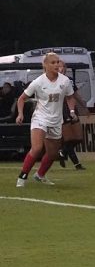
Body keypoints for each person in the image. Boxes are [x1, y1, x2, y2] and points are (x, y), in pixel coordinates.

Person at [15, 52, 77, 188]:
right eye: (53, 62)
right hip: (40, 118)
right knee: (37, 148)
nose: (56, 65)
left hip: (56, 120)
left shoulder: (65, 81)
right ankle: (22, 177)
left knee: (53, 153)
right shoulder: (38, 82)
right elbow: (22, 98)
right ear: (45, 65)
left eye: (57, 62)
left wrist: (72, 111)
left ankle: (40, 175)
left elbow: (70, 97)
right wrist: (20, 114)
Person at [58, 80, 87, 170]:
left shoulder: (68, 80)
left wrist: (83, 106)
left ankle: (63, 151)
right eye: (59, 66)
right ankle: (77, 164)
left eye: (63, 66)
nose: (62, 68)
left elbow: (75, 95)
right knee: (69, 140)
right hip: (62, 110)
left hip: (72, 110)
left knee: (79, 138)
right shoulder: (53, 81)